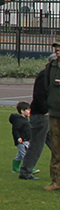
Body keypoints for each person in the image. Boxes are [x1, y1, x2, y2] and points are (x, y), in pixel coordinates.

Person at [19, 46, 56, 181]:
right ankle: (25, 171)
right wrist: (45, 111)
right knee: (36, 144)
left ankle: (26, 170)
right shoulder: (45, 75)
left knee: (54, 144)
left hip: (47, 114)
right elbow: (39, 95)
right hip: (42, 115)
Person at [40, 42, 60, 191]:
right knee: (56, 148)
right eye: (56, 49)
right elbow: (46, 88)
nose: (58, 51)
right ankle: (56, 181)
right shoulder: (50, 68)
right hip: (55, 113)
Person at [11, 102, 33, 173]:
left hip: (26, 140)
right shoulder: (19, 120)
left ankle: (15, 168)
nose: (30, 111)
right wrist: (18, 138)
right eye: (28, 110)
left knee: (20, 155)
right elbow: (15, 130)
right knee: (26, 155)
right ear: (22, 111)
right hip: (22, 141)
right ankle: (28, 169)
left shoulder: (26, 120)